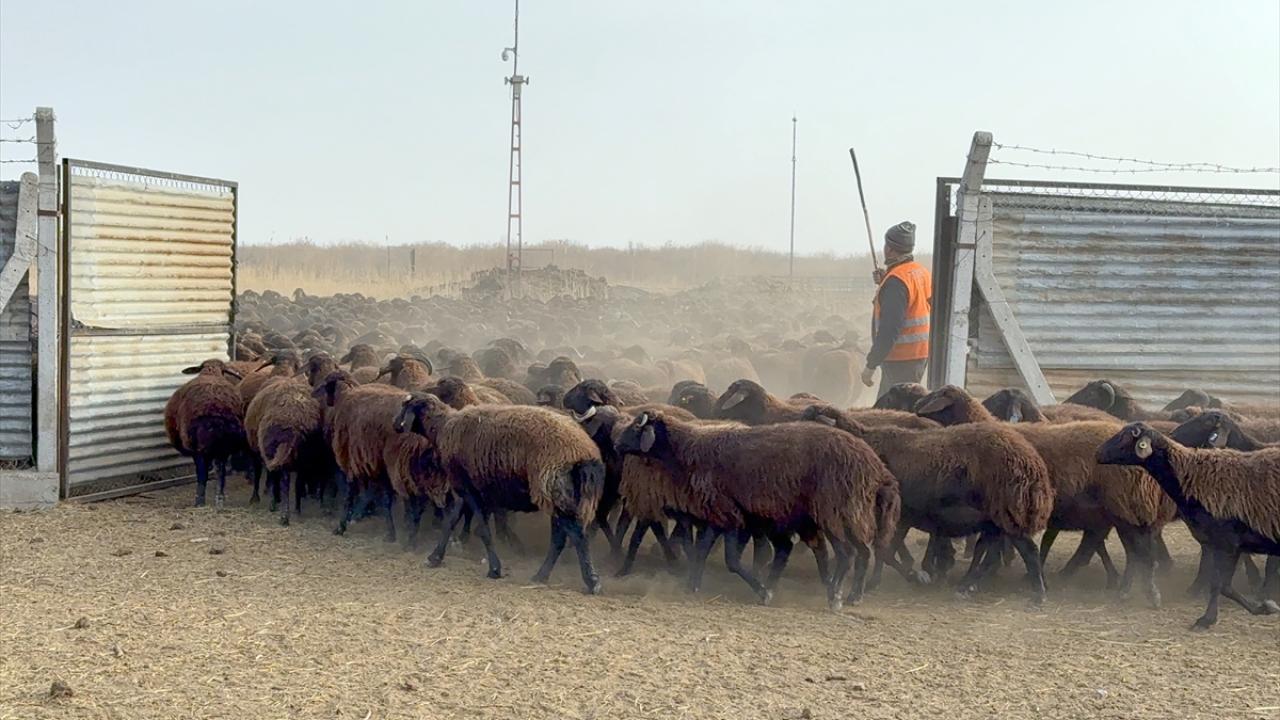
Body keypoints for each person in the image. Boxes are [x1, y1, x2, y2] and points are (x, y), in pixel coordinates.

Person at [861, 221, 932, 400]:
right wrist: (886, 279)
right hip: (920, 354)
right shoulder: (920, 272)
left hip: (900, 359)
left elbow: (889, 328)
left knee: (887, 414)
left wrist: (871, 365)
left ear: (890, 249)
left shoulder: (896, 282)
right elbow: (918, 302)